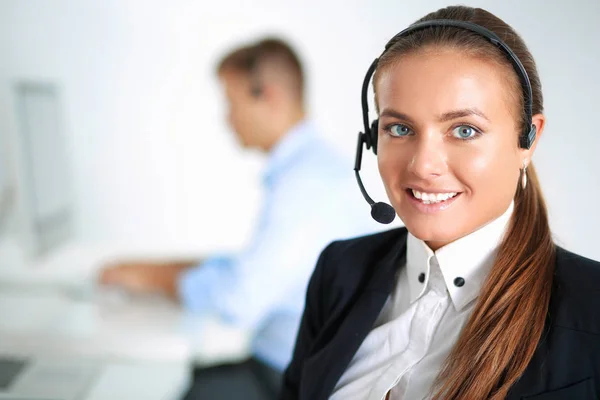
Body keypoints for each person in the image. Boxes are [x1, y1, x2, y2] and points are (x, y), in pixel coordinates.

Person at [281, 6, 600, 400]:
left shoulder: (591, 305)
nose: (423, 165)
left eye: (464, 130)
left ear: (528, 139)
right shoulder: (341, 272)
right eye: (399, 128)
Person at [99, 38, 380, 399]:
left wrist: (154, 278)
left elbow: (239, 300)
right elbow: (252, 268)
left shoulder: (307, 185)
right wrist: (162, 269)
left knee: (146, 385)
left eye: (231, 103)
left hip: (287, 381)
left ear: (269, 96)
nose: (227, 118)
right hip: (281, 366)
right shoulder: (309, 170)